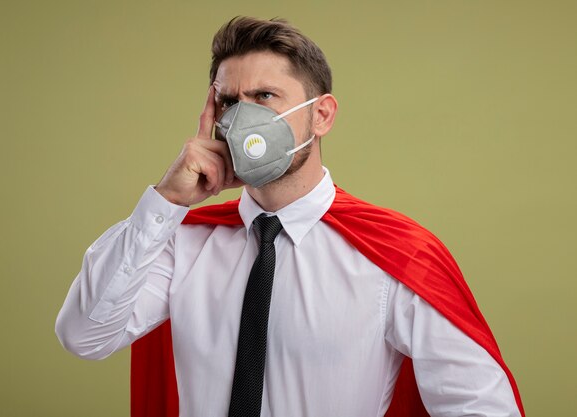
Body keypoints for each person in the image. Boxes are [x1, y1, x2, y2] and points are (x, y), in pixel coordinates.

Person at [56, 16, 524, 417]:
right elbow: (84, 335)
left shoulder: (393, 257)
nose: (242, 118)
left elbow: (481, 406)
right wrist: (166, 202)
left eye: (264, 96)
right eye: (229, 102)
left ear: (321, 115)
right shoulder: (182, 245)